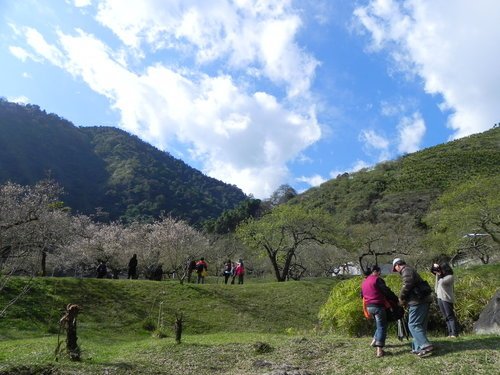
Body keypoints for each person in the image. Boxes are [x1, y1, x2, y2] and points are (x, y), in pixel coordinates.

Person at [393, 258, 433, 357]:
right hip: (423, 300)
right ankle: (417, 348)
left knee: (413, 325)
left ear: (397, 265)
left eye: (395, 268)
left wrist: (401, 298)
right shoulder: (409, 269)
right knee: (419, 325)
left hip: (418, 301)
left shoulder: (406, 270)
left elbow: (407, 284)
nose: (396, 271)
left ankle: (425, 345)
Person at [361, 265, 399, 357]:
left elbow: (362, 295)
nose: (379, 274)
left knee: (379, 324)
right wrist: (396, 299)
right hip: (378, 306)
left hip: (369, 307)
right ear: (376, 271)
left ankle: (374, 341)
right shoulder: (377, 280)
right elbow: (386, 291)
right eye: (379, 272)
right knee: (382, 326)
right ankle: (379, 350)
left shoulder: (364, 282)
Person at [431, 262, 458, 338]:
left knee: (450, 316)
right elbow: (432, 271)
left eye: (441, 269)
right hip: (440, 297)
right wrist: (435, 266)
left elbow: (442, 282)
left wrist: (439, 274)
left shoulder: (450, 276)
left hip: (447, 298)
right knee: (445, 316)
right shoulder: (440, 276)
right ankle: (450, 333)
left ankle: (454, 333)